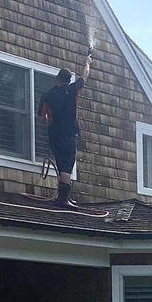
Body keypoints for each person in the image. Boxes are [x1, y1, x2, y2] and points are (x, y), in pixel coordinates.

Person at [38, 50, 92, 207]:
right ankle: (63, 199)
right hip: (69, 134)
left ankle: (62, 197)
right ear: (69, 80)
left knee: (61, 163)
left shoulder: (47, 96)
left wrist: (51, 119)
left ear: (57, 79)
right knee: (67, 164)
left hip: (54, 134)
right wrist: (87, 62)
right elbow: (85, 75)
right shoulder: (73, 90)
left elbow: (42, 118)